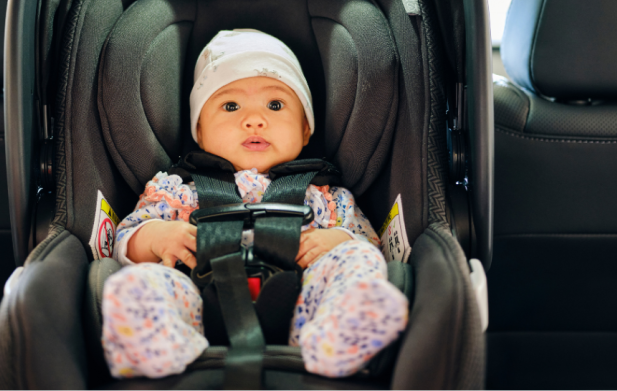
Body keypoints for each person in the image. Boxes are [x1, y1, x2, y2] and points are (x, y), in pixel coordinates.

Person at [102, 29, 408, 379]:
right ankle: (155, 347)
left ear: (305, 129)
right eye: (230, 106)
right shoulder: (176, 191)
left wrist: (337, 240)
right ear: (199, 131)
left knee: (358, 260)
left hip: (305, 304)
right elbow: (123, 240)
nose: (254, 119)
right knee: (139, 283)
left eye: (275, 105)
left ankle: (340, 338)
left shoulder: (326, 196)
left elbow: (369, 243)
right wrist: (156, 237)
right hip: (196, 298)